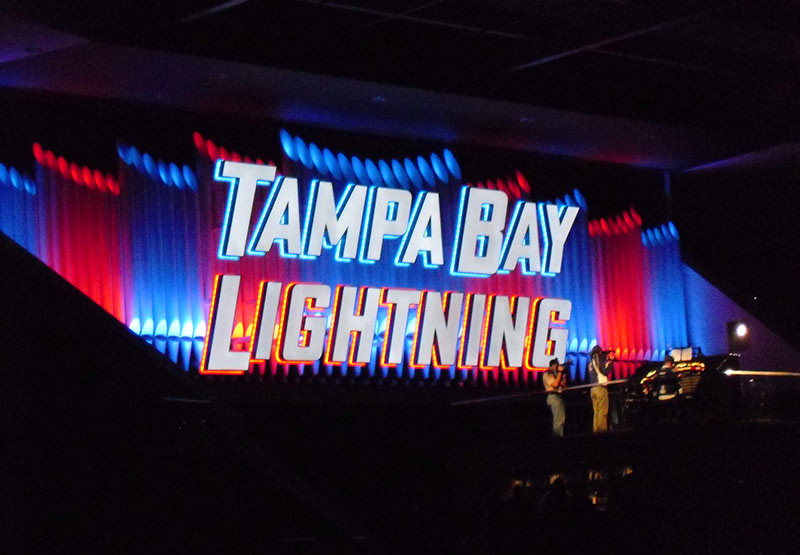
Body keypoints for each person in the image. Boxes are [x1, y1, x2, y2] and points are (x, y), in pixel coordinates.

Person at [588, 345, 613, 432]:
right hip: (600, 388)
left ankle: (596, 431)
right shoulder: (597, 358)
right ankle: (602, 432)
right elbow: (604, 371)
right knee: (603, 411)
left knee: (596, 412)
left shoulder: (590, 362)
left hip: (593, 389)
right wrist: (611, 363)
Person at [543, 358, 567, 437]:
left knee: (561, 418)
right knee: (558, 419)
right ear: (553, 366)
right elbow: (555, 385)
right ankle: (557, 437)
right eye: (557, 366)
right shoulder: (547, 374)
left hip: (559, 397)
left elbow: (563, 385)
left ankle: (560, 435)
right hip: (553, 397)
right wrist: (559, 372)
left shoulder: (556, 374)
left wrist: (563, 375)